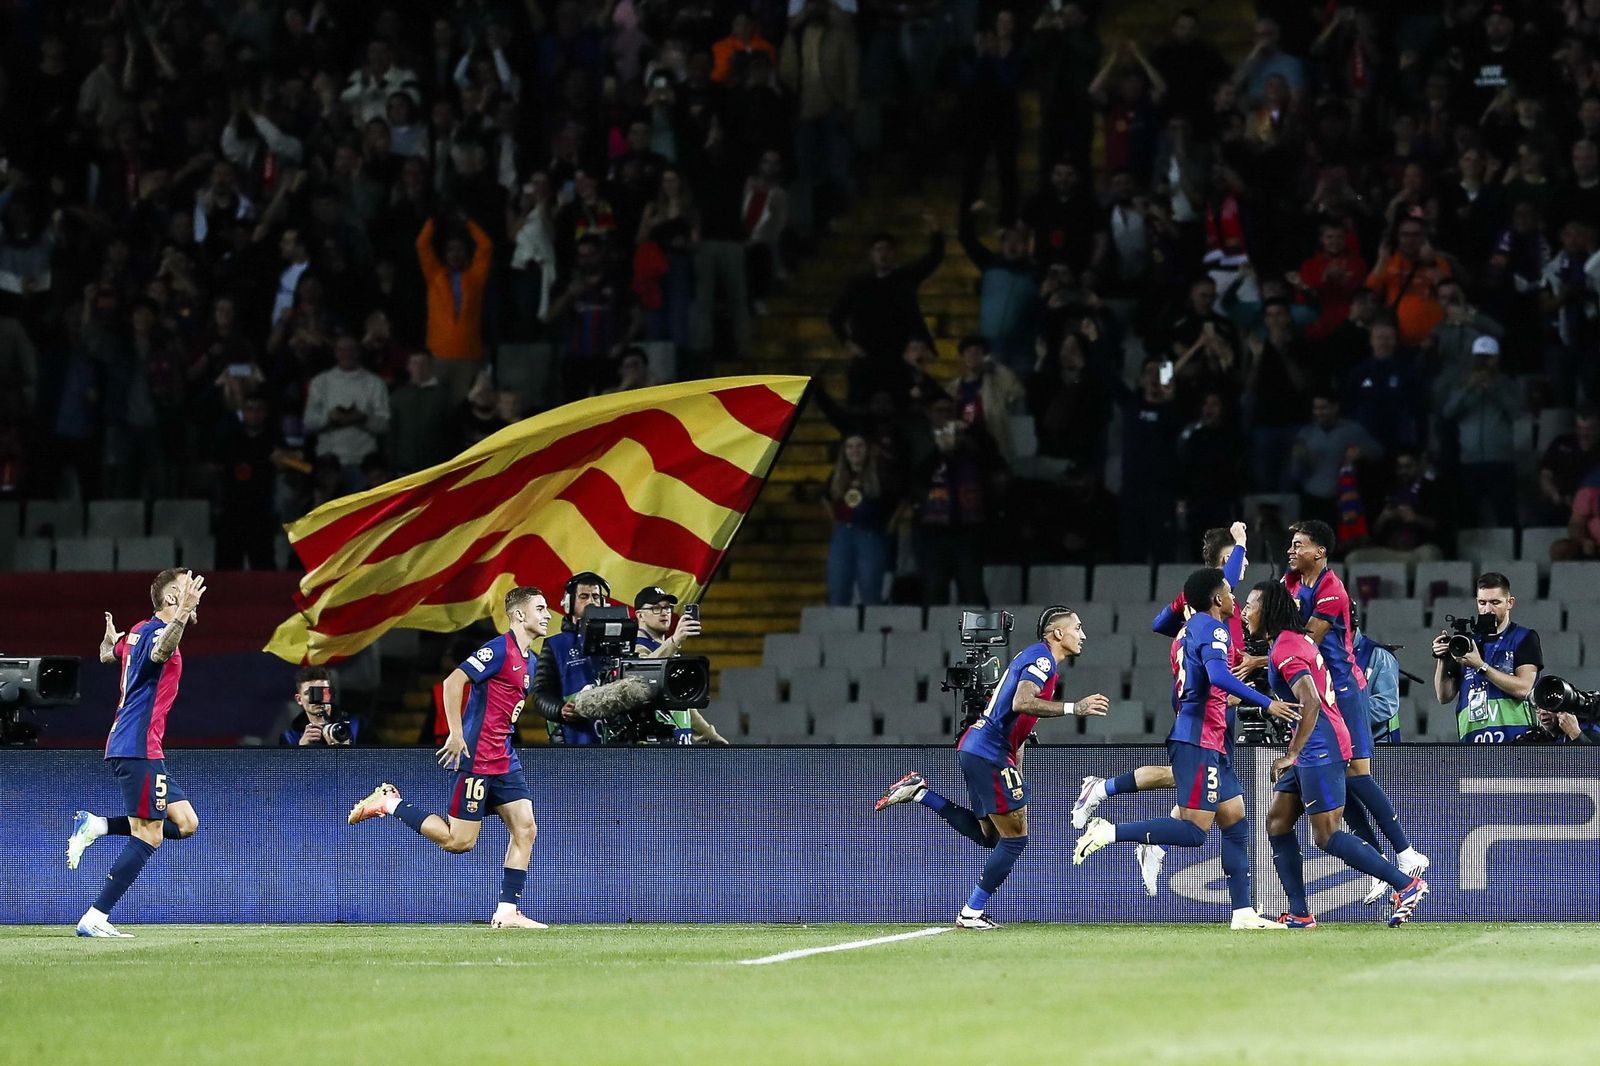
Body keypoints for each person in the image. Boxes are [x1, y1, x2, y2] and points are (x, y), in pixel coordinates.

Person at [1072, 568, 1295, 930]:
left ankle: (1242, 913)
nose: (1234, 599)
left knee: (1235, 821)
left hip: (1206, 735)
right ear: (1217, 599)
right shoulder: (1214, 629)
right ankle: (1108, 832)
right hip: (1200, 738)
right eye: (1229, 592)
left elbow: (1195, 687)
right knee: (1194, 832)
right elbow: (1218, 676)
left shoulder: (1185, 632)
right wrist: (1267, 703)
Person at [873, 608, 1111, 929]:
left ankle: (920, 793)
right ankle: (970, 913)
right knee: (1015, 839)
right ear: (1058, 633)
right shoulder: (1042, 660)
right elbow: (1021, 702)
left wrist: (1015, 768)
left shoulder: (1040, 661)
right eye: (1077, 628)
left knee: (992, 837)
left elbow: (1021, 723)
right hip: (988, 751)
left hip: (980, 748)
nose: (1082, 635)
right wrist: (1074, 707)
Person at [346, 586, 554, 930]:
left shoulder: (530, 660)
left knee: (526, 828)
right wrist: (456, 734)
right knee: (458, 842)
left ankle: (507, 911)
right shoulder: (498, 649)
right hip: (478, 758)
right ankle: (390, 803)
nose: (547, 615)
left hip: (504, 757)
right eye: (541, 608)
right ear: (519, 614)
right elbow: (453, 681)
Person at [1071, 521, 1250, 897]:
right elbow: (1226, 580)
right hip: (1210, 706)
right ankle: (1130, 824)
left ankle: (1121, 808)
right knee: (1199, 790)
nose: (1242, 569)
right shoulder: (1216, 599)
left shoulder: (1195, 603)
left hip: (1207, 705)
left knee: (1211, 795)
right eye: (1237, 561)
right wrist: (1241, 543)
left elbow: (1159, 623)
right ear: (1223, 564)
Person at [1246, 581, 1430, 929]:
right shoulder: (1291, 641)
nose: (1245, 612)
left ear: (1268, 610)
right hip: (1313, 743)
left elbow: (1311, 701)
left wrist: (1291, 753)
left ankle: (1405, 884)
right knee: (1278, 822)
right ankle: (1300, 913)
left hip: (1319, 747)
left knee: (1326, 834)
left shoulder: (1286, 648)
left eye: (1250, 605)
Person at [1283, 520, 1428, 902]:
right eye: (1291, 544)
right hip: (1323, 691)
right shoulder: (1292, 581)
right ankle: (1378, 860)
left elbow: (1305, 643)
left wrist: (1262, 658)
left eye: (1298, 544)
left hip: (1346, 689)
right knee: (1343, 782)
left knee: (1357, 774)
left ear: (1320, 552)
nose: (1291, 550)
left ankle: (1406, 852)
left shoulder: (1332, 589)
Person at [66, 569, 208, 938]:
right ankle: (95, 917)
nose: (195, 596)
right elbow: (161, 651)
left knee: (186, 823)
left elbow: (106, 654)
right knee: (151, 834)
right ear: (171, 597)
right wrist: (182, 613)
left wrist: (108, 643)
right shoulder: (159, 632)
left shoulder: (135, 632)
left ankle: (98, 826)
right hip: (137, 746)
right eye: (187, 589)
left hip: (139, 745)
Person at [1432, 572, 1542, 744]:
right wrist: (1442, 659)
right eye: (1482, 603)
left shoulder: (1524, 637)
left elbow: (1524, 688)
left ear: (1510, 603)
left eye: (1495, 602)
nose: (1488, 610)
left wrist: (1481, 666)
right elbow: (1443, 696)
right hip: (1472, 742)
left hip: (1517, 740)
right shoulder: (1467, 643)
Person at [632, 586, 727, 745]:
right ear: (640, 615)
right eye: (656, 608)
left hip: (680, 742)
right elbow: (644, 672)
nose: (664, 612)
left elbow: (684, 703)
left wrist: (710, 736)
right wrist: (675, 640)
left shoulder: (669, 650)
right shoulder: (634, 649)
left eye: (667, 608)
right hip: (653, 744)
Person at [532, 572, 612, 745]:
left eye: (596, 597)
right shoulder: (555, 645)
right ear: (569, 603)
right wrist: (560, 710)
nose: (591, 602)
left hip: (615, 741)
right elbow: (541, 695)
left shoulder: (616, 643)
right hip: (573, 741)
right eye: (584, 596)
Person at [823, 434, 893, 607]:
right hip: (843, 534)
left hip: (870, 534)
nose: (855, 450)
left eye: (859, 445)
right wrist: (836, 520)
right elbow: (825, 496)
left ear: (867, 449)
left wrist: (891, 524)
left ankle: (871, 625)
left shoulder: (880, 474)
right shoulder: (838, 475)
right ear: (844, 451)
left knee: (870, 590)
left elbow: (899, 499)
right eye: (850, 446)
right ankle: (839, 625)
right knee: (838, 589)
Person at [280, 666, 356, 747]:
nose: (317, 699)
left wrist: (346, 749)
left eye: (322, 691)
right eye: (309, 693)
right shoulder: (290, 737)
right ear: (299, 699)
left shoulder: (355, 726)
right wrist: (301, 749)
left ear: (330, 694)